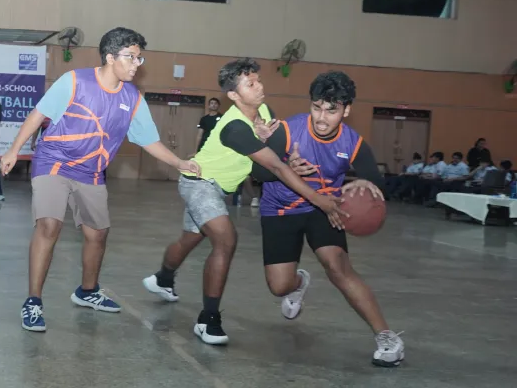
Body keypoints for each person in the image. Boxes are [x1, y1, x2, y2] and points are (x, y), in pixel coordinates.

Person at [0, 27, 200, 332]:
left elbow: (149, 140)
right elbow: (38, 114)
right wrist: (14, 149)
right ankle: (33, 301)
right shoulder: (75, 81)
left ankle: (87, 291)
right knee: (49, 225)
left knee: (98, 235)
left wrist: (179, 162)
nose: (137, 64)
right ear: (110, 57)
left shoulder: (132, 98)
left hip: (91, 171)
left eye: (139, 58)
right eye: (130, 57)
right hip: (54, 161)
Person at [141, 58, 346, 345]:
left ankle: (163, 278)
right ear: (233, 95)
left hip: (218, 189)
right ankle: (208, 319)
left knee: (189, 239)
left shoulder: (264, 111)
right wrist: (319, 200)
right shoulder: (234, 127)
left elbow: (271, 162)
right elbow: (274, 167)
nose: (259, 87)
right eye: (250, 84)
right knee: (225, 239)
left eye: (258, 80)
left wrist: (287, 156)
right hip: (199, 183)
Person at [247, 71, 404, 367]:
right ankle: (298, 283)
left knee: (338, 267)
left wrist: (364, 183)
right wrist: (285, 165)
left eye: (331, 110)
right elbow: (258, 174)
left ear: (346, 110)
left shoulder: (353, 143)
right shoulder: (287, 131)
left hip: (324, 208)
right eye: (317, 107)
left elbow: (376, 181)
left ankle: (387, 337)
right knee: (279, 287)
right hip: (280, 209)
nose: (321, 117)